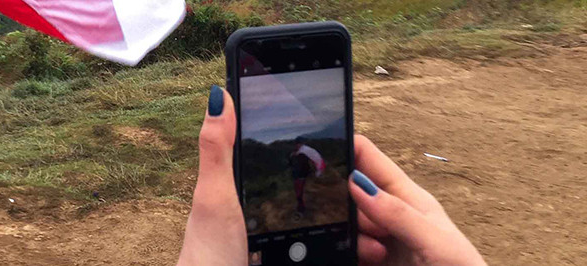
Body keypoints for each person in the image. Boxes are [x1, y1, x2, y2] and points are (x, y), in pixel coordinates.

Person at [176, 86, 487, 266]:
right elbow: (308, 161)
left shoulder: (304, 152)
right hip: (305, 177)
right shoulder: (299, 152)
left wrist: (318, 174)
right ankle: (302, 206)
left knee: (305, 197)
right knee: (306, 198)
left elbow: (315, 162)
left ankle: (302, 207)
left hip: (308, 177)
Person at [289, 140, 325, 214]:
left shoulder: (302, 153)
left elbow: (299, 164)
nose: (296, 146)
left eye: (297, 145)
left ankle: (301, 208)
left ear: (300, 144)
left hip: (301, 176)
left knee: (299, 191)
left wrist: (293, 156)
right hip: (309, 172)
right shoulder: (305, 151)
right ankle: (301, 206)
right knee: (300, 190)